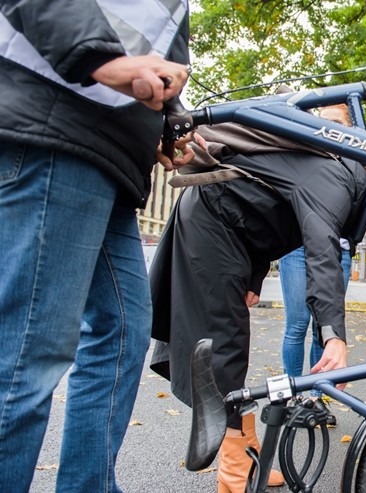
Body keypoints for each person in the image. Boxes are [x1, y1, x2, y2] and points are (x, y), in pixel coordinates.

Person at [148, 119, 366, 492]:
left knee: (232, 340)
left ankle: (244, 451)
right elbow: (320, 254)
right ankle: (234, 466)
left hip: (232, 229)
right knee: (224, 341)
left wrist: (254, 277)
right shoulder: (338, 182)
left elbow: (268, 196)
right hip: (213, 222)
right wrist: (333, 334)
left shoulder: (351, 188)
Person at [0, 2, 190, 492]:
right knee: (26, 356)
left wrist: (168, 123)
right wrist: (101, 58)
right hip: (55, 128)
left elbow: (154, 45)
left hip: (110, 157)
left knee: (123, 332)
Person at [279, 104, 353, 425]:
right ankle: (289, 392)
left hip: (339, 251)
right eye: (325, 124)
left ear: (350, 128)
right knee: (297, 323)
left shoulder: (357, 163)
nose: (332, 129)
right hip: (297, 248)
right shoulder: (304, 155)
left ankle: (315, 397)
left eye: (338, 123)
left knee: (323, 330)